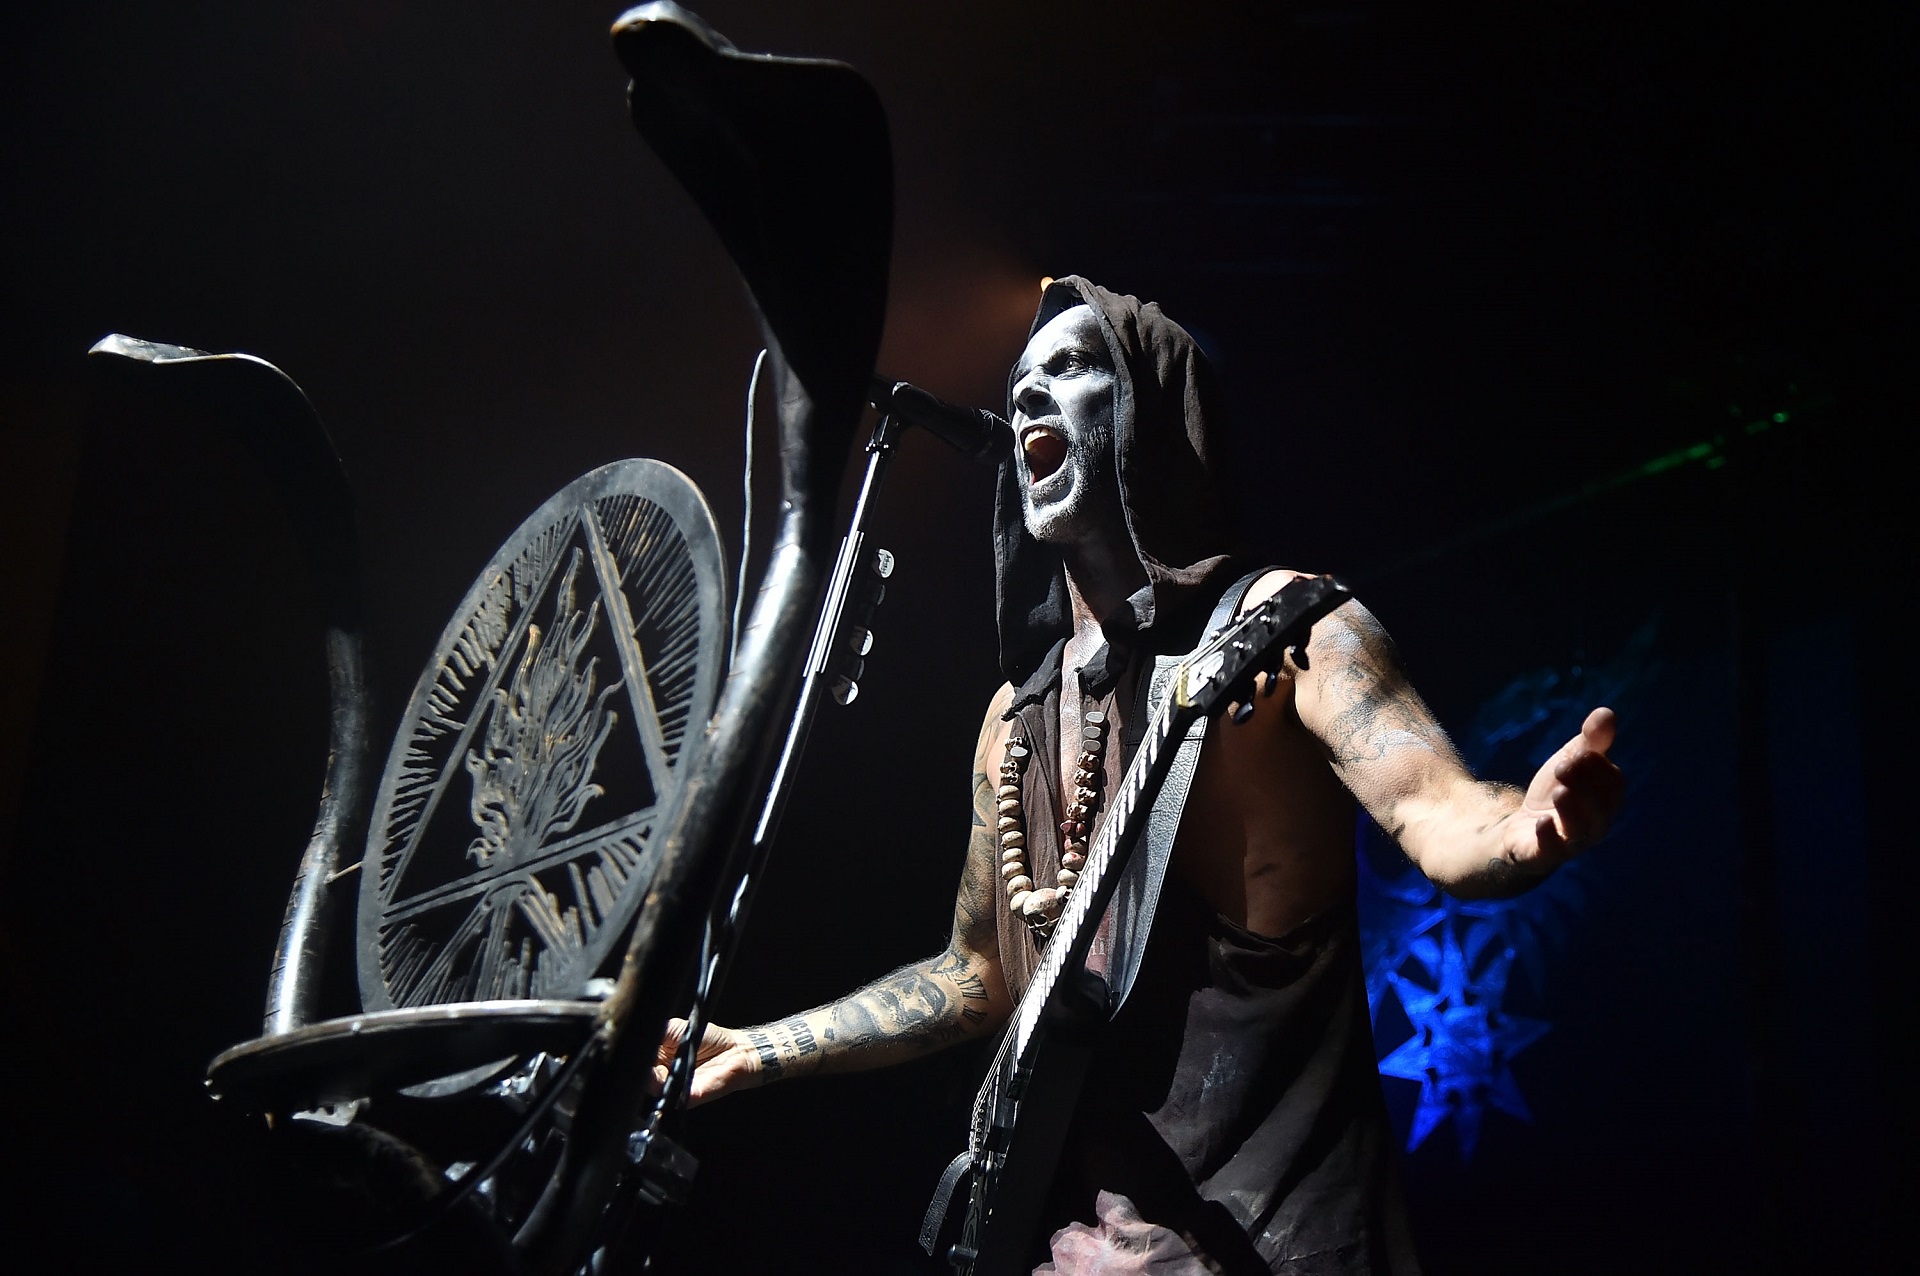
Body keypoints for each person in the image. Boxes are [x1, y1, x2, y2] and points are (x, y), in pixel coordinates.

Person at [656, 278, 1623, 1273]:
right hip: (1079, 1249)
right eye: (1020, 380)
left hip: (1276, 1245)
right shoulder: (1016, 721)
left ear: (1155, 409)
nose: (1029, 394)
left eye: (1073, 367)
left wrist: (1522, 829)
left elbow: (1437, 807)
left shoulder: (1286, 635)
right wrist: (759, 1047)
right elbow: (977, 974)